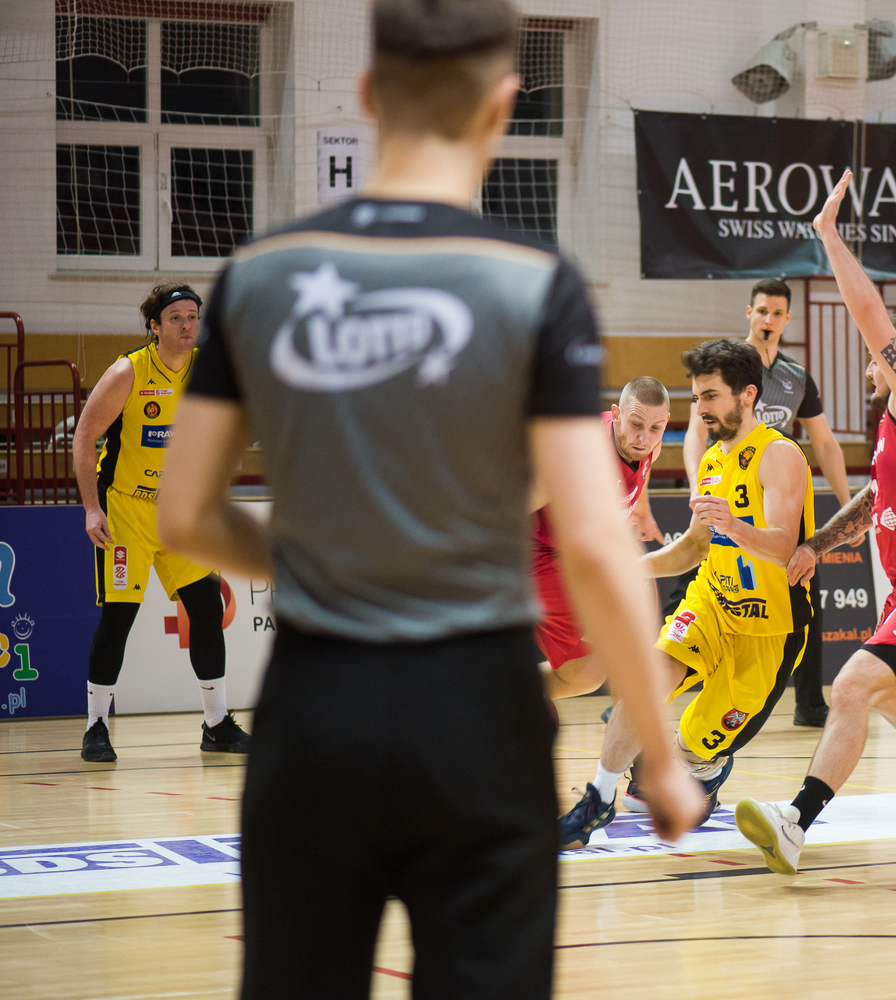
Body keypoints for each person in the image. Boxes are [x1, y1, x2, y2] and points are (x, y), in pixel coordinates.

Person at [154, 1, 700, 996]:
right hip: (479, 715)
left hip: (316, 712)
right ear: (501, 107)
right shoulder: (536, 281)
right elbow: (592, 541)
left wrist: (326, 559)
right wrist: (659, 757)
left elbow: (184, 514)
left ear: (368, 95)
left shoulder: (258, 275)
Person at [733, 170, 896, 875]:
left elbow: (871, 314)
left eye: (879, 361)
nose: (869, 368)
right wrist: (817, 545)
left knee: (851, 687)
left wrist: (829, 237)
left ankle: (796, 821)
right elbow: (874, 500)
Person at [558, 338, 814, 850]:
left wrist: (735, 526)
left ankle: (705, 769)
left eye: (710, 397)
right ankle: (598, 799)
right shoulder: (713, 461)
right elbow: (696, 547)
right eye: (697, 398)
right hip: (713, 601)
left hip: (771, 628)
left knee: (694, 746)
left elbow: (786, 546)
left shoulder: (779, 455)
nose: (700, 409)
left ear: (746, 395)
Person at [71, 283, 247, 763]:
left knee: (207, 608)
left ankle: (216, 724)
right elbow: (84, 437)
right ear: (155, 326)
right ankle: (96, 726)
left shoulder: (208, 370)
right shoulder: (127, 372)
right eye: (176, 318)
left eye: (193, 316)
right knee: (118, 617)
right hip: (127, 512)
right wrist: (92, 508)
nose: (187, 325)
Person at [678, 278, 856, 728]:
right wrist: (699, 488)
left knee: (802, 588)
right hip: (728, 486)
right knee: (693, 579)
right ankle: (650, 683)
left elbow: (824, 441)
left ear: (787, 319)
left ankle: (809, 704)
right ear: (749, 313)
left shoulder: (797, 377)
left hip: (777, 488)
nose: (769, 320)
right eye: (762, 311)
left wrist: (848, 505)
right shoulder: (726, 368)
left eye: (777, 313)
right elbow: (695, 434)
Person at [534, 376, 671, 700]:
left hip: (572, 554)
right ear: (617, 414)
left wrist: (642, 509)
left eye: (655, 428)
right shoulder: (582, 453)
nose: (644, 437)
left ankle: (489, 697)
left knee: (585, 673)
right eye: (636, 424)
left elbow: (643, 468)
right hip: (537, 554)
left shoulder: (650, 444)